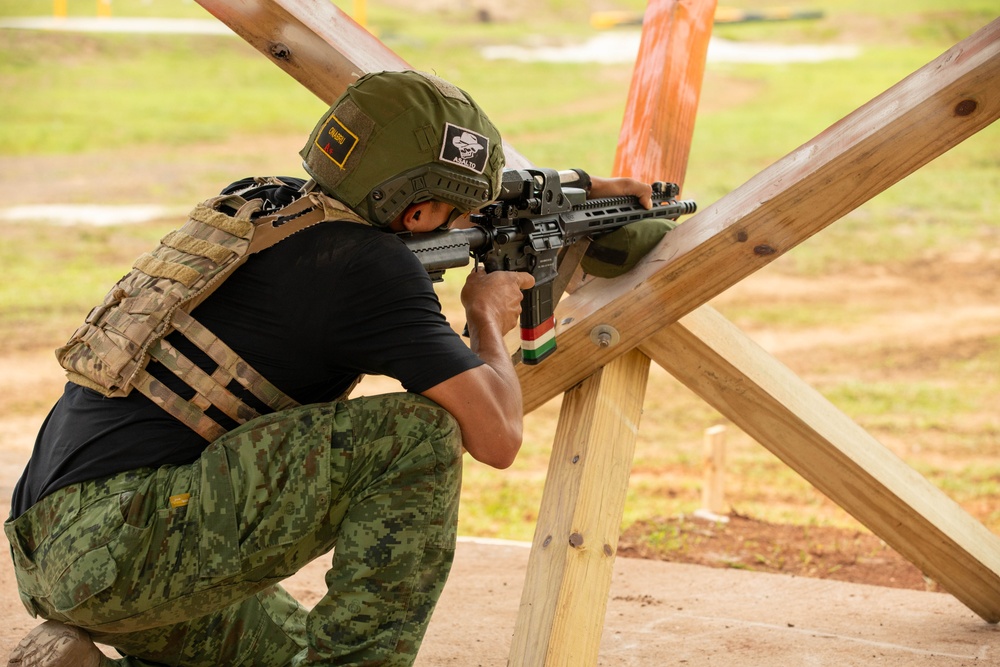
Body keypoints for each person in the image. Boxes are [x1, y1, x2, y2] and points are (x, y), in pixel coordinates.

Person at [5, 70, 655, 667]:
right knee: (419, 434)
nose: (466, 223)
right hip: (130, 549)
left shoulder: (258, 205)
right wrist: (484, 315)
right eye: (457, 209)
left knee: (287, 654)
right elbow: (497, 435)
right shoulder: (368, 269)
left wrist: (583, 189)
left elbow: (449, 209)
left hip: (58, 549)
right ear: (418, 212)